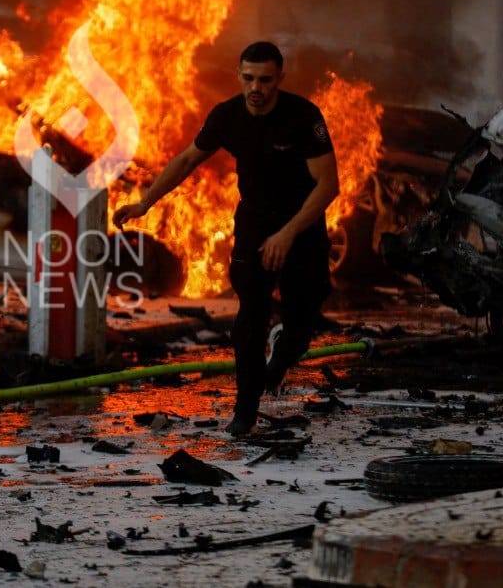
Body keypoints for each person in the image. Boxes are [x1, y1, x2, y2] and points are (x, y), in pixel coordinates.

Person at [112, 41, 340, 437]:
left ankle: (285, 351)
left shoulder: (303, 117)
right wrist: (145, 203)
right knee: (250, 317)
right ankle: (244, 413)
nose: (257, 87)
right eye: (249, 78)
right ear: (239, 76)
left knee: (304, 315)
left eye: (266, 80)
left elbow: (328, 186)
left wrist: (287, 234)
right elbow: (186, 160)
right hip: (254, 223)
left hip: (300, 227)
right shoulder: (227, 115)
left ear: (279, 79)